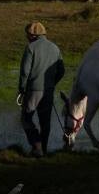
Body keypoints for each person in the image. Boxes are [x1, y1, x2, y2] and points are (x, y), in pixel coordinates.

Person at [17, 21, 65, 157]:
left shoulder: (31, 48)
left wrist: (21, 88)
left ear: (32, 35)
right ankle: (43, 149)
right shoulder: (55, 48)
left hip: (33, 90)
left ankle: (36, 145)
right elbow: (61, 70)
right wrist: (52, 83)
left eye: (27, 34)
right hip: (48, 91)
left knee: (26, 119)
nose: (26, 37)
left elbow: (25, 72)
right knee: (45, 122)